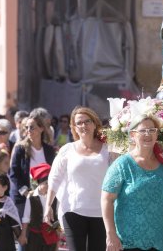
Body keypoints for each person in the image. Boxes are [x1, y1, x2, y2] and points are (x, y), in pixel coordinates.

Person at [101, 114, 163, 251]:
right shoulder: (123, 165)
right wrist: (110, 234)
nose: (148, 134)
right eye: (143, 130)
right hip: (129, 242)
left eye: (152, 130)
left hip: (160, 241)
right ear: (133, 135)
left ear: (157, 134)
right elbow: (107, 199)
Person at [44, 106, 110, 251]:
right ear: (74, 127)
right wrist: (48, 206)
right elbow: (55, 178)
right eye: (79, 123)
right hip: (73, 210)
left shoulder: (108, 150)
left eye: (87, 121)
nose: (83, 125)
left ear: (94, 124)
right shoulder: (67, 150)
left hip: (101, 212)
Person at [9, 115, 55, 220]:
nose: (28, 130)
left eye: (32, 127)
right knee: (23, 234)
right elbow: (13, 174)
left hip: (44, 198)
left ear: (41, 129)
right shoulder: (20, 148)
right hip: (23, 199)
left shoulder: (49, 150)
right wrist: (26, 192)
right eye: (27, 127)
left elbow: (53, 173)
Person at [19, 163, 60, 251]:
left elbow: (57, 217)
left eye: (51, 183)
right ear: (39, 183)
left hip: (50, 236)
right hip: (35, 237)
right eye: (46, 183)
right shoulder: (31, 197)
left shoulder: (55, 197)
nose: (49, 186)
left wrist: (58, 237)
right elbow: (26, 218)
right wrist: (23, 234)